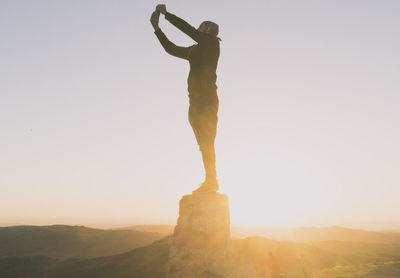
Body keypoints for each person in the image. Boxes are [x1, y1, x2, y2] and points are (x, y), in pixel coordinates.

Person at [150, 4, 221, 193]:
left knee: (207, 141)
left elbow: (188, 30)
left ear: (208, 30)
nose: (197, 28)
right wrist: (157, 29)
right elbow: (171, 49)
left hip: (207, 100)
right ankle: (210, 179)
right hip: (195, 101)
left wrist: (166, 14)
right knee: (203, 143)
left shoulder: (212, 44)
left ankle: (212, 181)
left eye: (201, 26)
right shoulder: (195, 50)